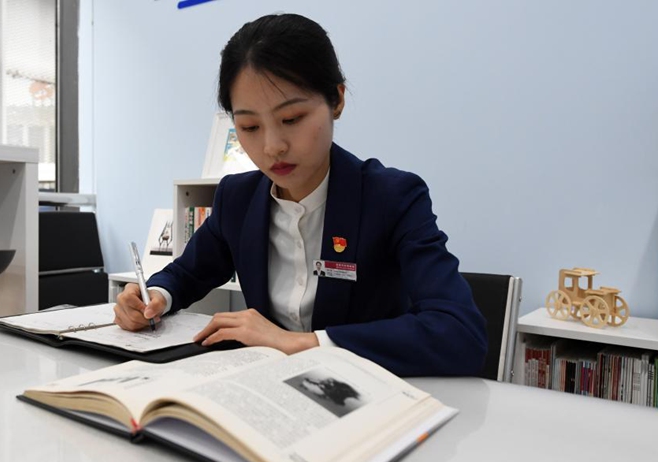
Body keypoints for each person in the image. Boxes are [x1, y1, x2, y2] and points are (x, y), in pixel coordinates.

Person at [114, 13, 486, 376]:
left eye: (291, 119)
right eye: (249, 126)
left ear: (336, 100)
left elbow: (460, 333)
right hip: (268, 394)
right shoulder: (237, 199)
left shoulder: (392, 197)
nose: (272, 146)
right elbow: (187, 273)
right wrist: (155, 297)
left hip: (366, 398)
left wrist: (303, 343)